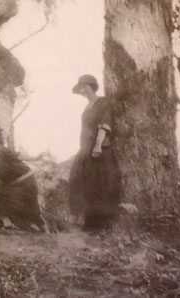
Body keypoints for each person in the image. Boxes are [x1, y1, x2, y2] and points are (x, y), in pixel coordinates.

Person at [70, 74, 121, 232]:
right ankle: (89, 223)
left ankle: (103, 225)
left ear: (92, 87)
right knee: (84, 185)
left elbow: (104, 124)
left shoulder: (103, 102)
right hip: (85, 150)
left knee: (101, 185)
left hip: (98, 151)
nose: (83, 90)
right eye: (81, 88)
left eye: (86, 86)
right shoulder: (87, 107)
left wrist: (98, 145)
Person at [0, 130, 47, 233]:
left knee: (31, 209)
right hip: (13, 185)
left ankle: (45, 231)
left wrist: (35, 158)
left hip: (26, 181)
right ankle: (7, 224)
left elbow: (19, 156)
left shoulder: (1, 150)